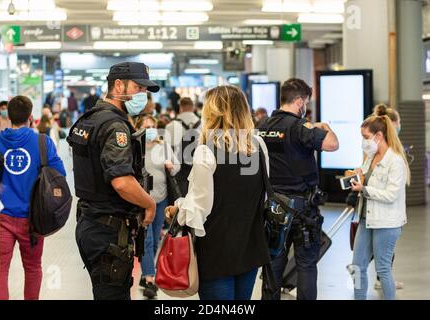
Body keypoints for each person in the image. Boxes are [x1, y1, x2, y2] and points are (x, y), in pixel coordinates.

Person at [165, 85, 270, 300]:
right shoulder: (258, 145)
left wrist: (178, 208)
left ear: (212, 113)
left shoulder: (206, 151)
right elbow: (264, 194)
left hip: (217, 250)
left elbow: (199, 209)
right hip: (251, 244)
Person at [68, 62, 158, 300]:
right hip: (108, 231)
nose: (143, 95)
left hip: (90, 222)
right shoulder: (114, 125)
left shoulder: (90, 119)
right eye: (138, 88)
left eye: (145, 90)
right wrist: (150, 204)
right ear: (118, 85)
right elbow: (121, 182)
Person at [257, 78, 339, 300]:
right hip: (303, 212)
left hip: (273, 209)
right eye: (306, 102)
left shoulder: (263, 125)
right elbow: (332, 144)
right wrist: (324, 127)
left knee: (272, 266)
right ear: (300, 101)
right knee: (306, 266)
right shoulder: (300, 127)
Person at [0, 95, 66, 300]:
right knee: (32, 268)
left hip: (0, 217)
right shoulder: (42, 142)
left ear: (8, 116)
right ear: (31, 117)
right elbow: (59, 175)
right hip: (33, 220)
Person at [348, 115, 409, 300]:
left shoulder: (396, 161)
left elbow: (391, 195)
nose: (363, 141)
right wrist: (357, 174)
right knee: (357, 266)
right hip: (367, 219)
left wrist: (364, 189)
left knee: (383, 268)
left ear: (378, 136)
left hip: (387, 222)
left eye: (365, 136)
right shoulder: (371, 156)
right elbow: (366, 177)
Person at [134, 114, 180, 299]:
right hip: (143, 200)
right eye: (146, 126)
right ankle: (151, 280)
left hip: (161, 198)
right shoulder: (136, 148)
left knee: (155, 240)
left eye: (152, 126)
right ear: (139, 129)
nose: (150, 129)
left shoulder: (163, 146)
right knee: (147, 239)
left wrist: (171, 166)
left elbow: (177, 166)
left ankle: (146, 274)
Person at [165, 97, 201, 196]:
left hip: (179, 172)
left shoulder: (171, 126)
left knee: (181, 199)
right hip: (199, 169)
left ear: (180, 107)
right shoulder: (204, 125)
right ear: (193, 107)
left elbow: (166, 151)